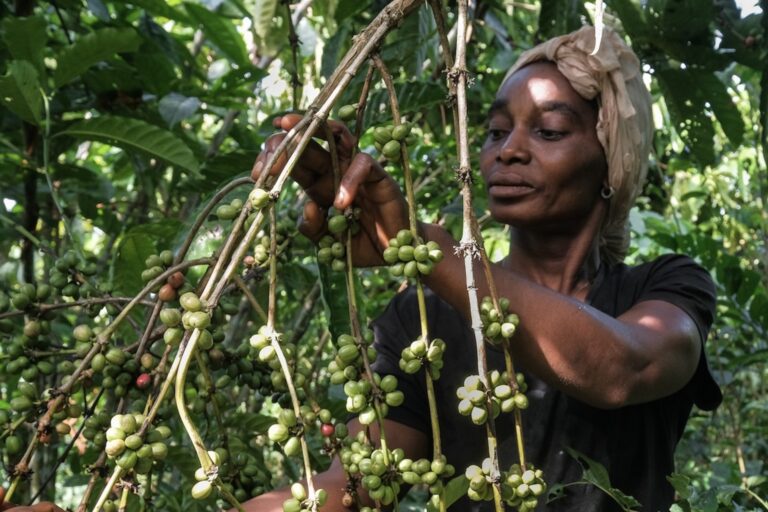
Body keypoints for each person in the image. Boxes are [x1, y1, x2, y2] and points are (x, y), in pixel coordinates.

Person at [3, 25, 721, 512]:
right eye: (496, 130)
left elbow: (617, 369)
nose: (506, 151)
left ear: (610, 165)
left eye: (550, 130)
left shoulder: (664, 289)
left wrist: (423, 243)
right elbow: (345, 491)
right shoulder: (424, 318)